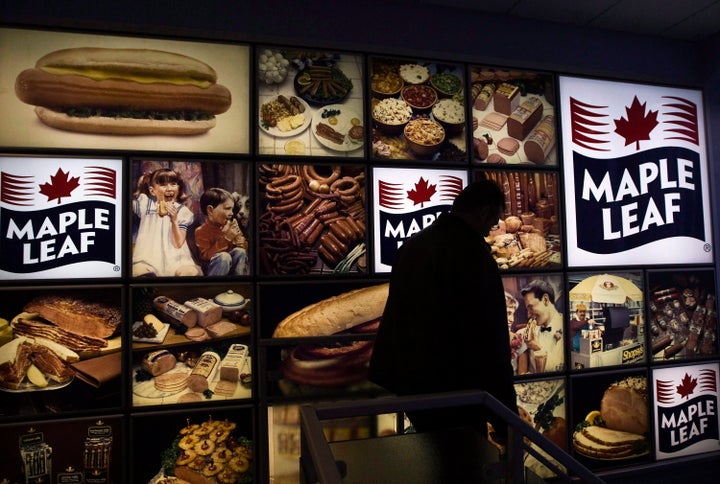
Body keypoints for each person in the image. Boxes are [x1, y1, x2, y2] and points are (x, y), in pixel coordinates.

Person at [369, 178, 518, 439]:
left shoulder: (414, 243)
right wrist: (506, 415)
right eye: (493, 218)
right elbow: (489, 337)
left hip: (409, 382)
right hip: (455, 387)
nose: (493, 227)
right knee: (466, 463)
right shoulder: (474, 255)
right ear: (483, 212)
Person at [132, 168, 202, 277]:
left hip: (176, 260)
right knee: (138, 271)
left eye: (173, 184)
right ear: (152, 191)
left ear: (178, 188)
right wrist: (141, 183)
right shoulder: (146, 206)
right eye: (163, 185)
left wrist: (174, 221)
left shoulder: (182, 212)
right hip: (148, 259)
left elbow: (178, 243)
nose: (169, 188)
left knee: (189, 272)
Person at [194, 187, 249, 276]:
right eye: (227, 208)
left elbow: (244, 247)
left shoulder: (230, 225)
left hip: (230, 268)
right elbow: (206, 256)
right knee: (224, 257)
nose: (231, 213)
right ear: (210, 210)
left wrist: (239, 240)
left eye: (232, 209)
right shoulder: (201, 231)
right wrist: (226, 238)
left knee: (240, 252)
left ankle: (238, 282)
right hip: (213, 269)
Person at [517, 280, 564, 373]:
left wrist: (537, 348)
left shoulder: (566, 326)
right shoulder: (531, 331)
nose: (528, 315)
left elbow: (558, 369)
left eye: (530, 307)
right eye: (527, 309)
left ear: (545, 299)